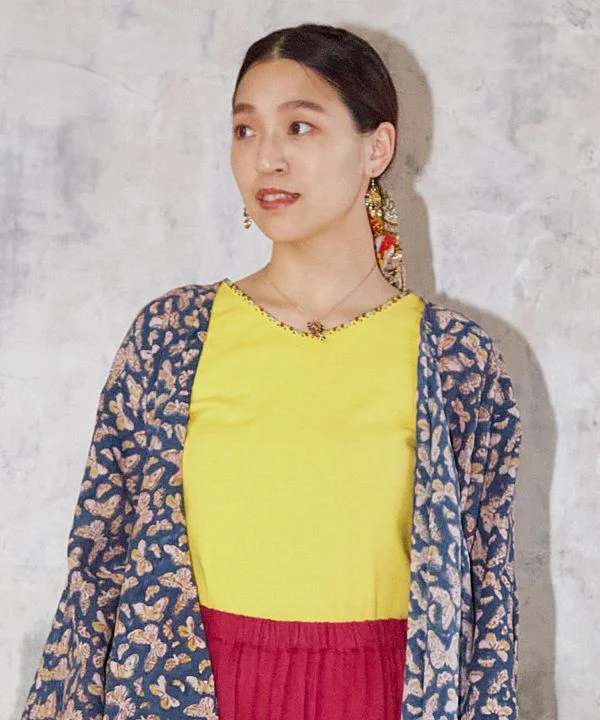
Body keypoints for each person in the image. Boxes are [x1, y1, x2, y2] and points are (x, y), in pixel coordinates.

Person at [21, 23, 522, 720]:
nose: (267, 158)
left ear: (376, 148)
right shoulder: (171, 337)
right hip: (185, 694)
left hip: (378, 697)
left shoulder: (456, 360)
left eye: (299, 127)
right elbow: (97, 573)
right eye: (245, 130)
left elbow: (489, 601)